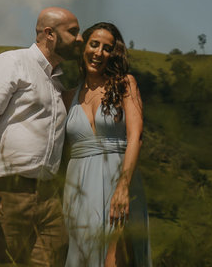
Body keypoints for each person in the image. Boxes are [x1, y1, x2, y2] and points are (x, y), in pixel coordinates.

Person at [0, 7, 83, 266]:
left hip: (47, 198)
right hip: (5, 191)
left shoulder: (58, 81)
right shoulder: (13, 62)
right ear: (49, 34)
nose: (80, 39)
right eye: (73, 32)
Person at [63, 22, 151, 267]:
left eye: (107, 48)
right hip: (77, 189)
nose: (99, 52)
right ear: (83, 49)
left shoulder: (125, 84)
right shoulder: (68, 96)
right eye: (94, 44)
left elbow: (136, 135)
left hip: (117, 179)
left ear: (114, 54)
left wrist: (123, 187)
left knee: (115, 258)